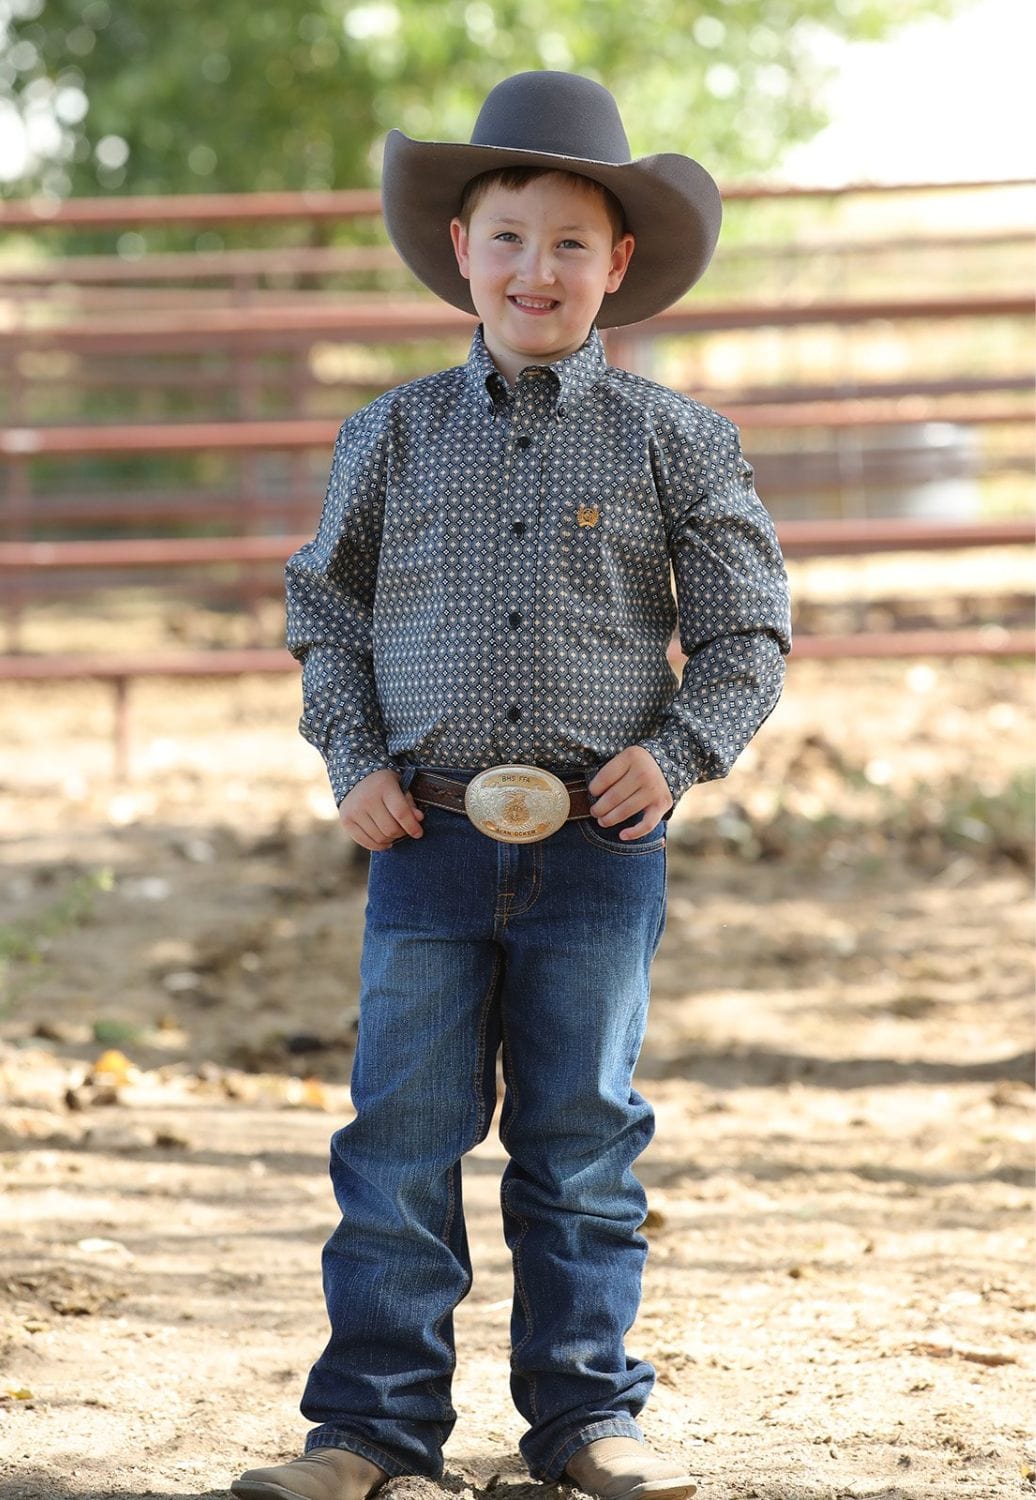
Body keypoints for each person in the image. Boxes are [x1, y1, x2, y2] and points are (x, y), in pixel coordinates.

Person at [233, 69, 791, 1500]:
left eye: (567, 243)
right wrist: (352, 760)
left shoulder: (680, 441)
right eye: (506, 236)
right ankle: (368, 1429)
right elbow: (329, 613)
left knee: (582, 1138)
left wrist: (675, 756)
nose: (533, 268)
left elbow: (744, 630)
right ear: (459, 254)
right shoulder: (392, 434)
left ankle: (586, 1418)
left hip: (601, 844)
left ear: (617, 266)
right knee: (401, 1137)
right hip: (423, 824)